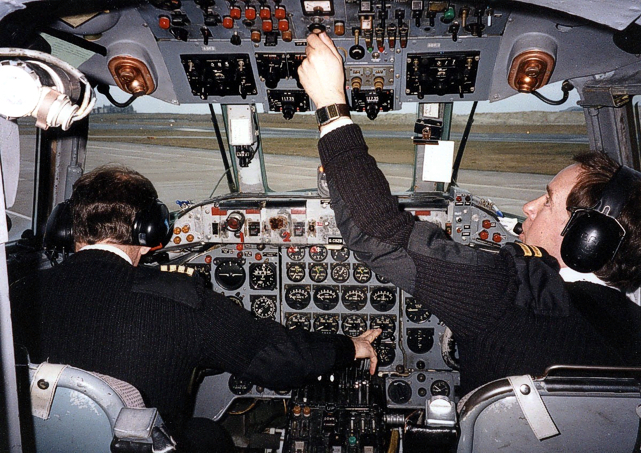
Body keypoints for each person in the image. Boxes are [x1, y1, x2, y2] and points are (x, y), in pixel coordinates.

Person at [297, 32, 641, 395]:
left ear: (587, 240)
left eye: (548, 201)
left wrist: (330, 104)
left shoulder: (514, 297)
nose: (528, 207)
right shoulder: (633, 323)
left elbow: (375, 233)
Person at [10, 164, 381, 451]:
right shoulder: (179, 300)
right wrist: (350, 346)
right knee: (209, 436)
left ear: (64, 227)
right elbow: (281, 361)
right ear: (152, 231)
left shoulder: (17, 295)